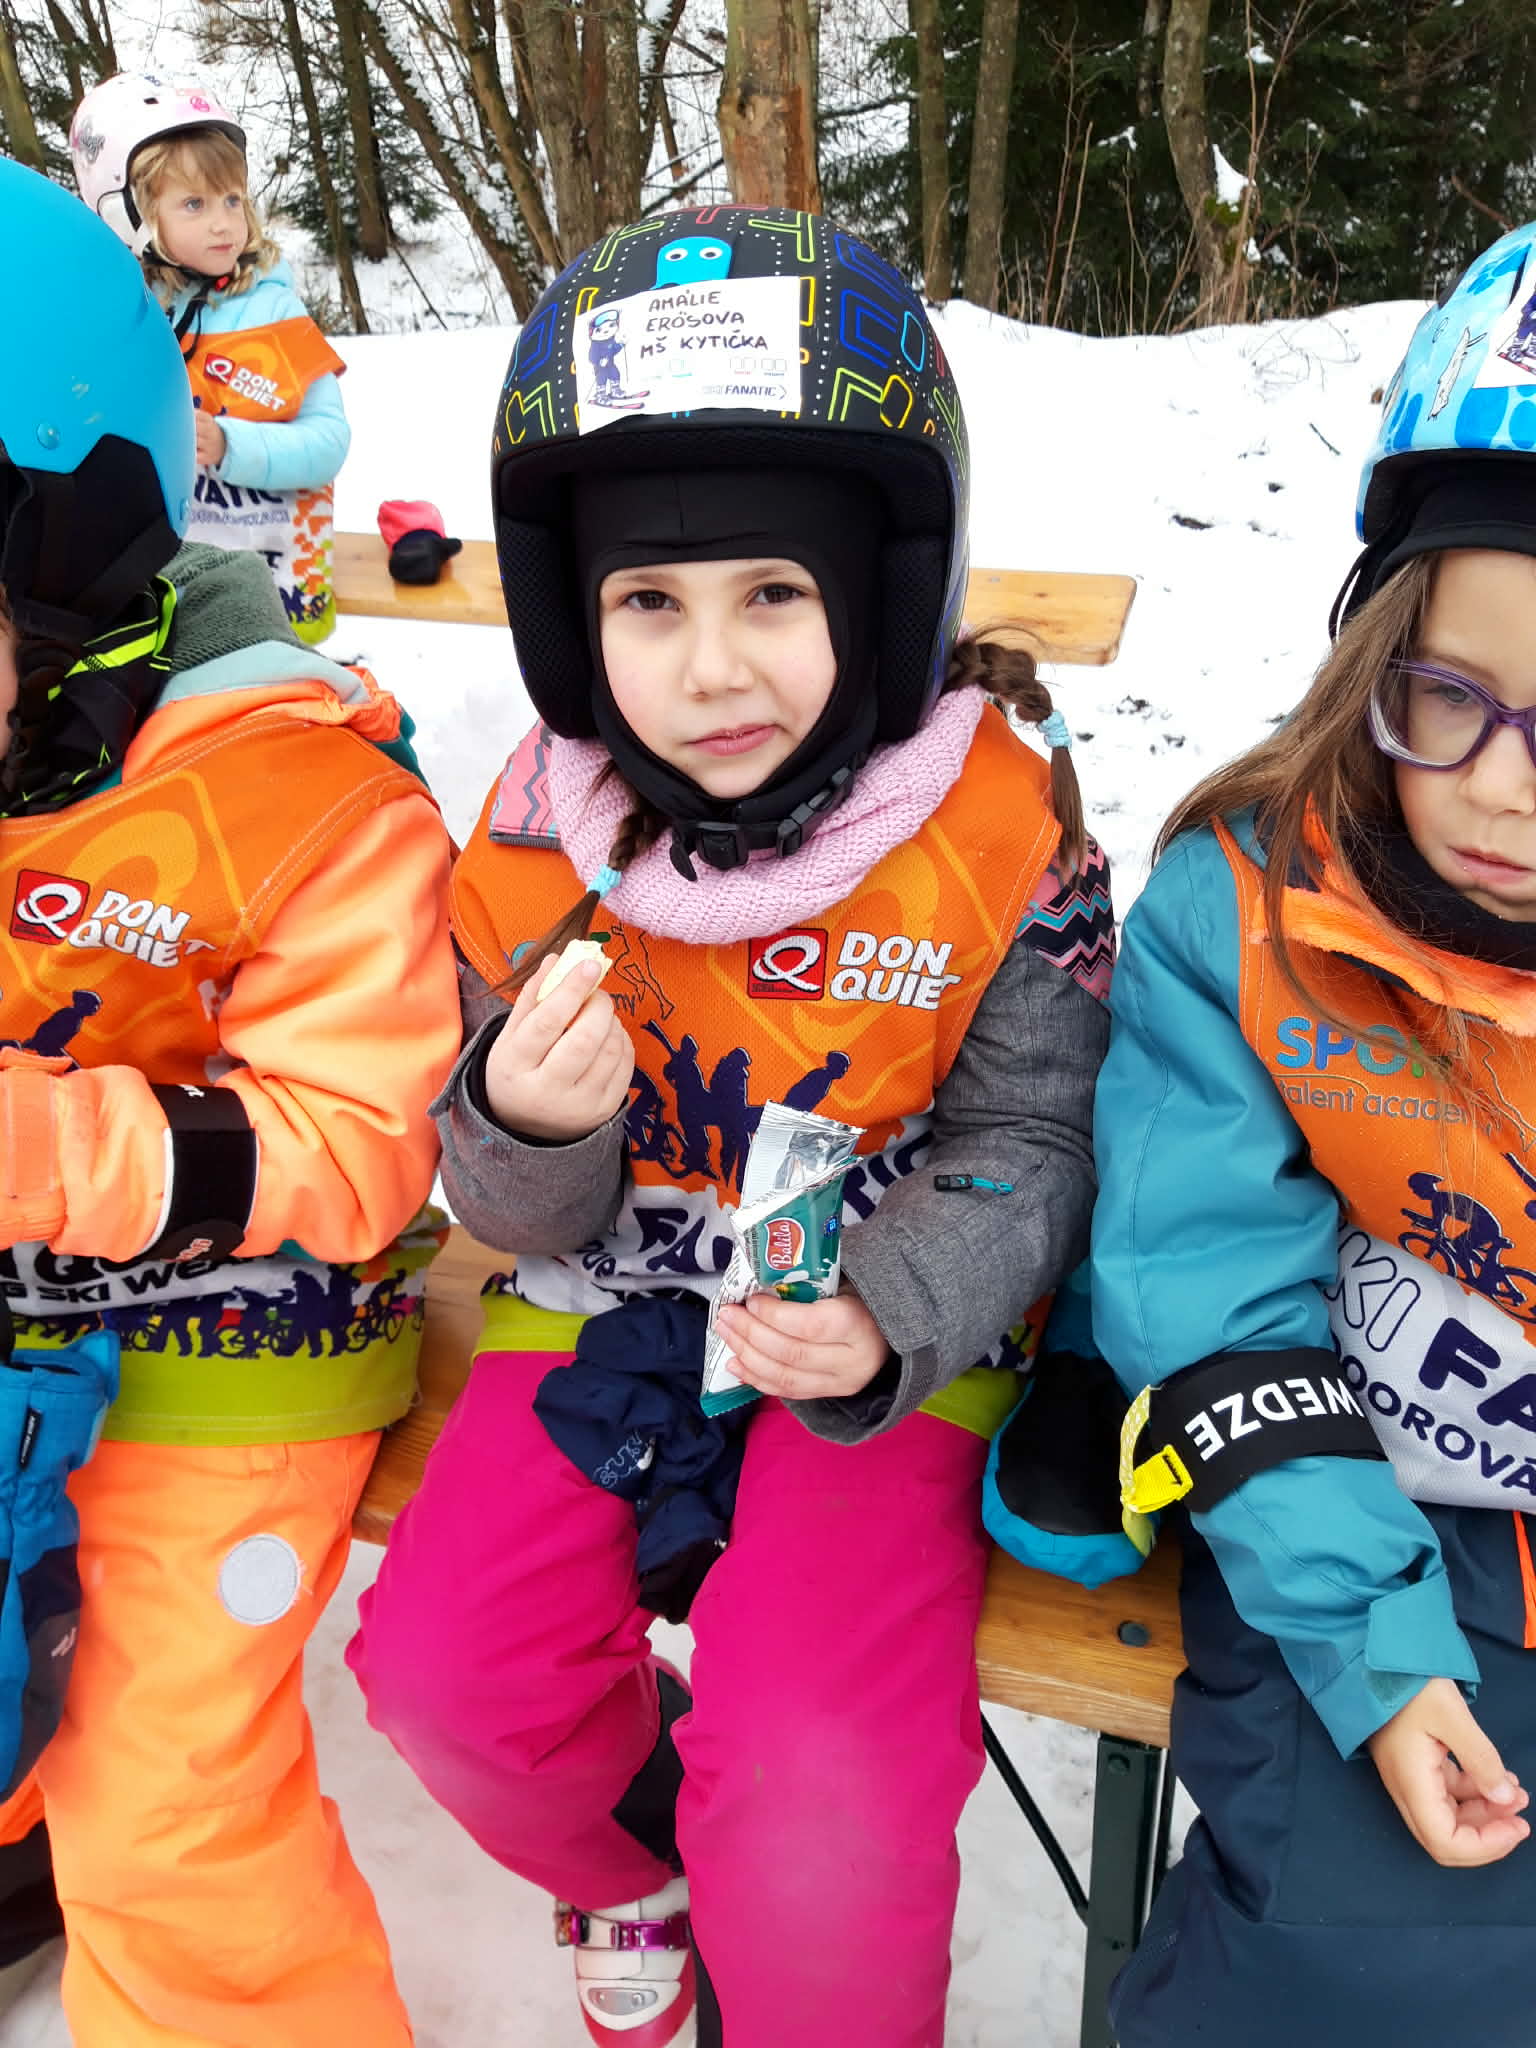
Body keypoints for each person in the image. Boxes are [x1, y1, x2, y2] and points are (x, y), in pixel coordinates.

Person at [347, 205, 1115, 2048]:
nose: (710, 671)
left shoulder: (993, 833)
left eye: (773, 594)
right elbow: (499, 1192)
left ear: (880, 594)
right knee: (446, 1678)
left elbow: (1036, 1133)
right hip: (605, 1306)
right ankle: (636, 1866)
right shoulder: (538, 836)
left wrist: (894, 1303)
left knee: (823, 1794)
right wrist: (522, 1120)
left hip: (880, 1342)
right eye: (649, 605)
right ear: (572, 619)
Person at [0, 157, 458, 2044]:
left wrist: (51, 1145)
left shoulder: (294, 795)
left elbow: (362, 1147)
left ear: (69, 553)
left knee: (168, 1813)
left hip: (223, 1354)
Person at [1093, 222, 1536, 2048]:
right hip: (1368, 1532)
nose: (1503, 787)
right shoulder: (1251, 916)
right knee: (1378, 1961)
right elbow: (1208, 1298)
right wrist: (1376, 1653)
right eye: (1453, 697)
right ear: (1380, 649)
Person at [70, 71, 351, 644]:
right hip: (163, 592)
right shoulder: (128, 319)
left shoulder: (274, 313)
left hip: (274, 595)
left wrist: (227, 445)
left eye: (232, 199)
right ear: (131, 215)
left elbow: (329, 443)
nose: (223, 222)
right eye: (194, 204)